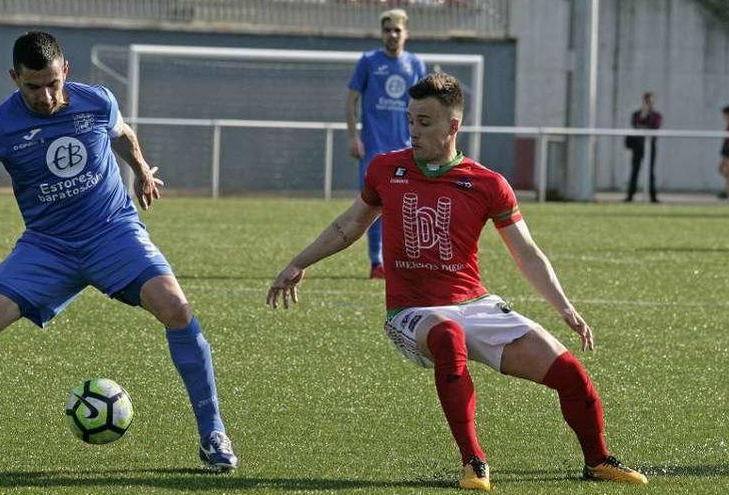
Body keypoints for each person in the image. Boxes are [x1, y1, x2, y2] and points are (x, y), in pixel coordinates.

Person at [0, 31, 238, 471]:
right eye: (32, 87)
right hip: (48, 247)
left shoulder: (97, 101)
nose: (45, 95)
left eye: (53, 83)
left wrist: (141, 172)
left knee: (176, 307)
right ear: (14, 78)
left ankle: (213, 433)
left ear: (66, 72)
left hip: (113, 233)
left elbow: (124, 133)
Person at [268, 72, 647, 491]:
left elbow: (527, 252)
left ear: (453, 126)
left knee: (570, 373)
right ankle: (474, 463)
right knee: (448, 338)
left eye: (424, 122)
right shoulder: (385, 169)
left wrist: (565, 308)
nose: (413, 131)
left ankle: (597, 461)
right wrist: (299, 262)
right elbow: (350, 225)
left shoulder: (487, 183)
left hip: (477, 306)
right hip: (411, 312)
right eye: (410, 120)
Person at [346, 8, 427, 279]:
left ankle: (404, 261)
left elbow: (424, 106)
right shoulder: (368, 61)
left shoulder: (415, 64)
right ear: (382, 33)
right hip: (373, 149)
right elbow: (351, 101)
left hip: (407, 148)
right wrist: (353, 136)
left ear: (406, 33)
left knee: (409, 207)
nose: (392, 35)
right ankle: (376, 262)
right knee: (372, 207)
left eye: (397, 30)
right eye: (387, 30)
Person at [624, 92, 663, 203]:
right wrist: (643, 117)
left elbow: (655, 127)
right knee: (635, 170)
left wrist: (644, 125)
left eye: (650, 101)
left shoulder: (657, 115)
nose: (648, 103)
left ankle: (653, 196)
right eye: (646, 101)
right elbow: (635, 125)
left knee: (651, 172)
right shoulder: (637, 114)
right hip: (637, 146)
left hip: (650, 146)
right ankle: (630, 196)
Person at [717, 105, 729, 200]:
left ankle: (726, 192)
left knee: (727, 171)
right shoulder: (728, 125)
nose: (724, 117)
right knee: (722, 170)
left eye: (725, 115)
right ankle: (726, 191)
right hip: (726, 149)